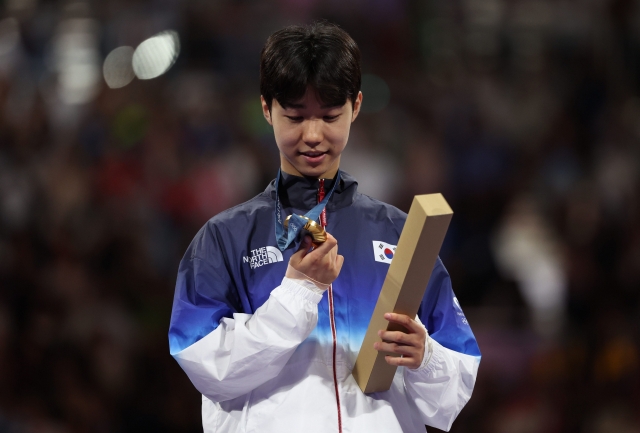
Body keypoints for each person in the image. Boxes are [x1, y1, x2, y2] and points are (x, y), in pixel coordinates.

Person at [169, 21, 480, 433]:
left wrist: (426, 357)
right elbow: (206, 367)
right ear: (266, 108)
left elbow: (452, 395)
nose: (313, 135)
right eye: (295, 116)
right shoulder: (223, 239)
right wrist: (296, 292)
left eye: (331, 115)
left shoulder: (400, 234)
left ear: (356, 107)